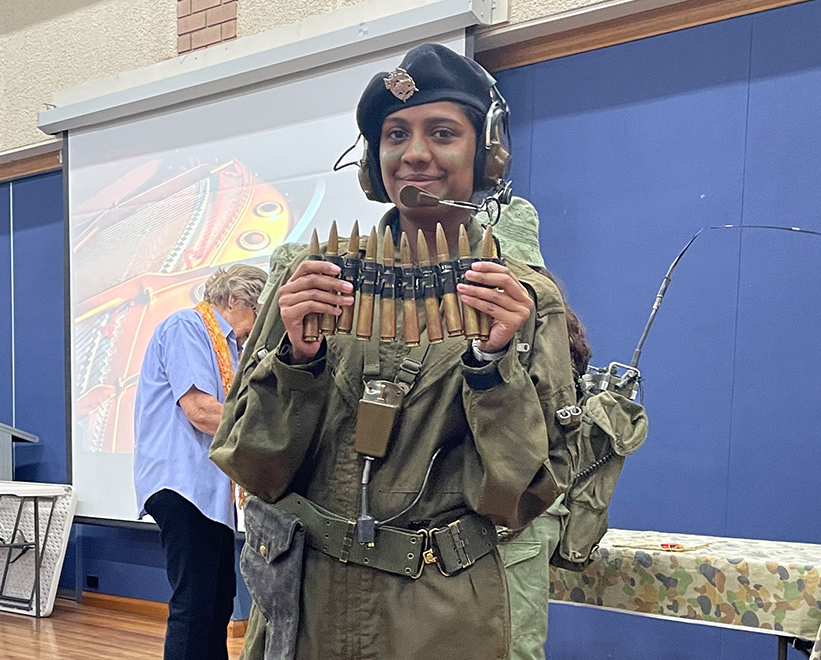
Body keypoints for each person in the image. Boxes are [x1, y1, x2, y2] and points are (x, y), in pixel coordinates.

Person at [211, 44, 577, 660]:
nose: (414, 154)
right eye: (394, 135)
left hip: (446, 611)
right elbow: (252, 467)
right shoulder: (309, 280)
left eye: (442, 133)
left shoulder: (525, 299)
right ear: (371, 160)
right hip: (313, 605)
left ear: (485, 152)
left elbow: (521, 494)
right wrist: (299, 363)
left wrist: (493, 369)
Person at [133, 263, 267, 660]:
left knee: (217, 604)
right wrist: (264, 428)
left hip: (210, 491)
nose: (257, 330)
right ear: (236, 299)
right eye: (259, 315)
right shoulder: (186, 327)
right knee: (194, 606)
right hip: (181, 484)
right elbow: (201, 410)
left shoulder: (230, 347)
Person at [489, 200, 592, 660]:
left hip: (519, 518)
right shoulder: (558, 318)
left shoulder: (534, 313)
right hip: (520, 515)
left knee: (514, 646)